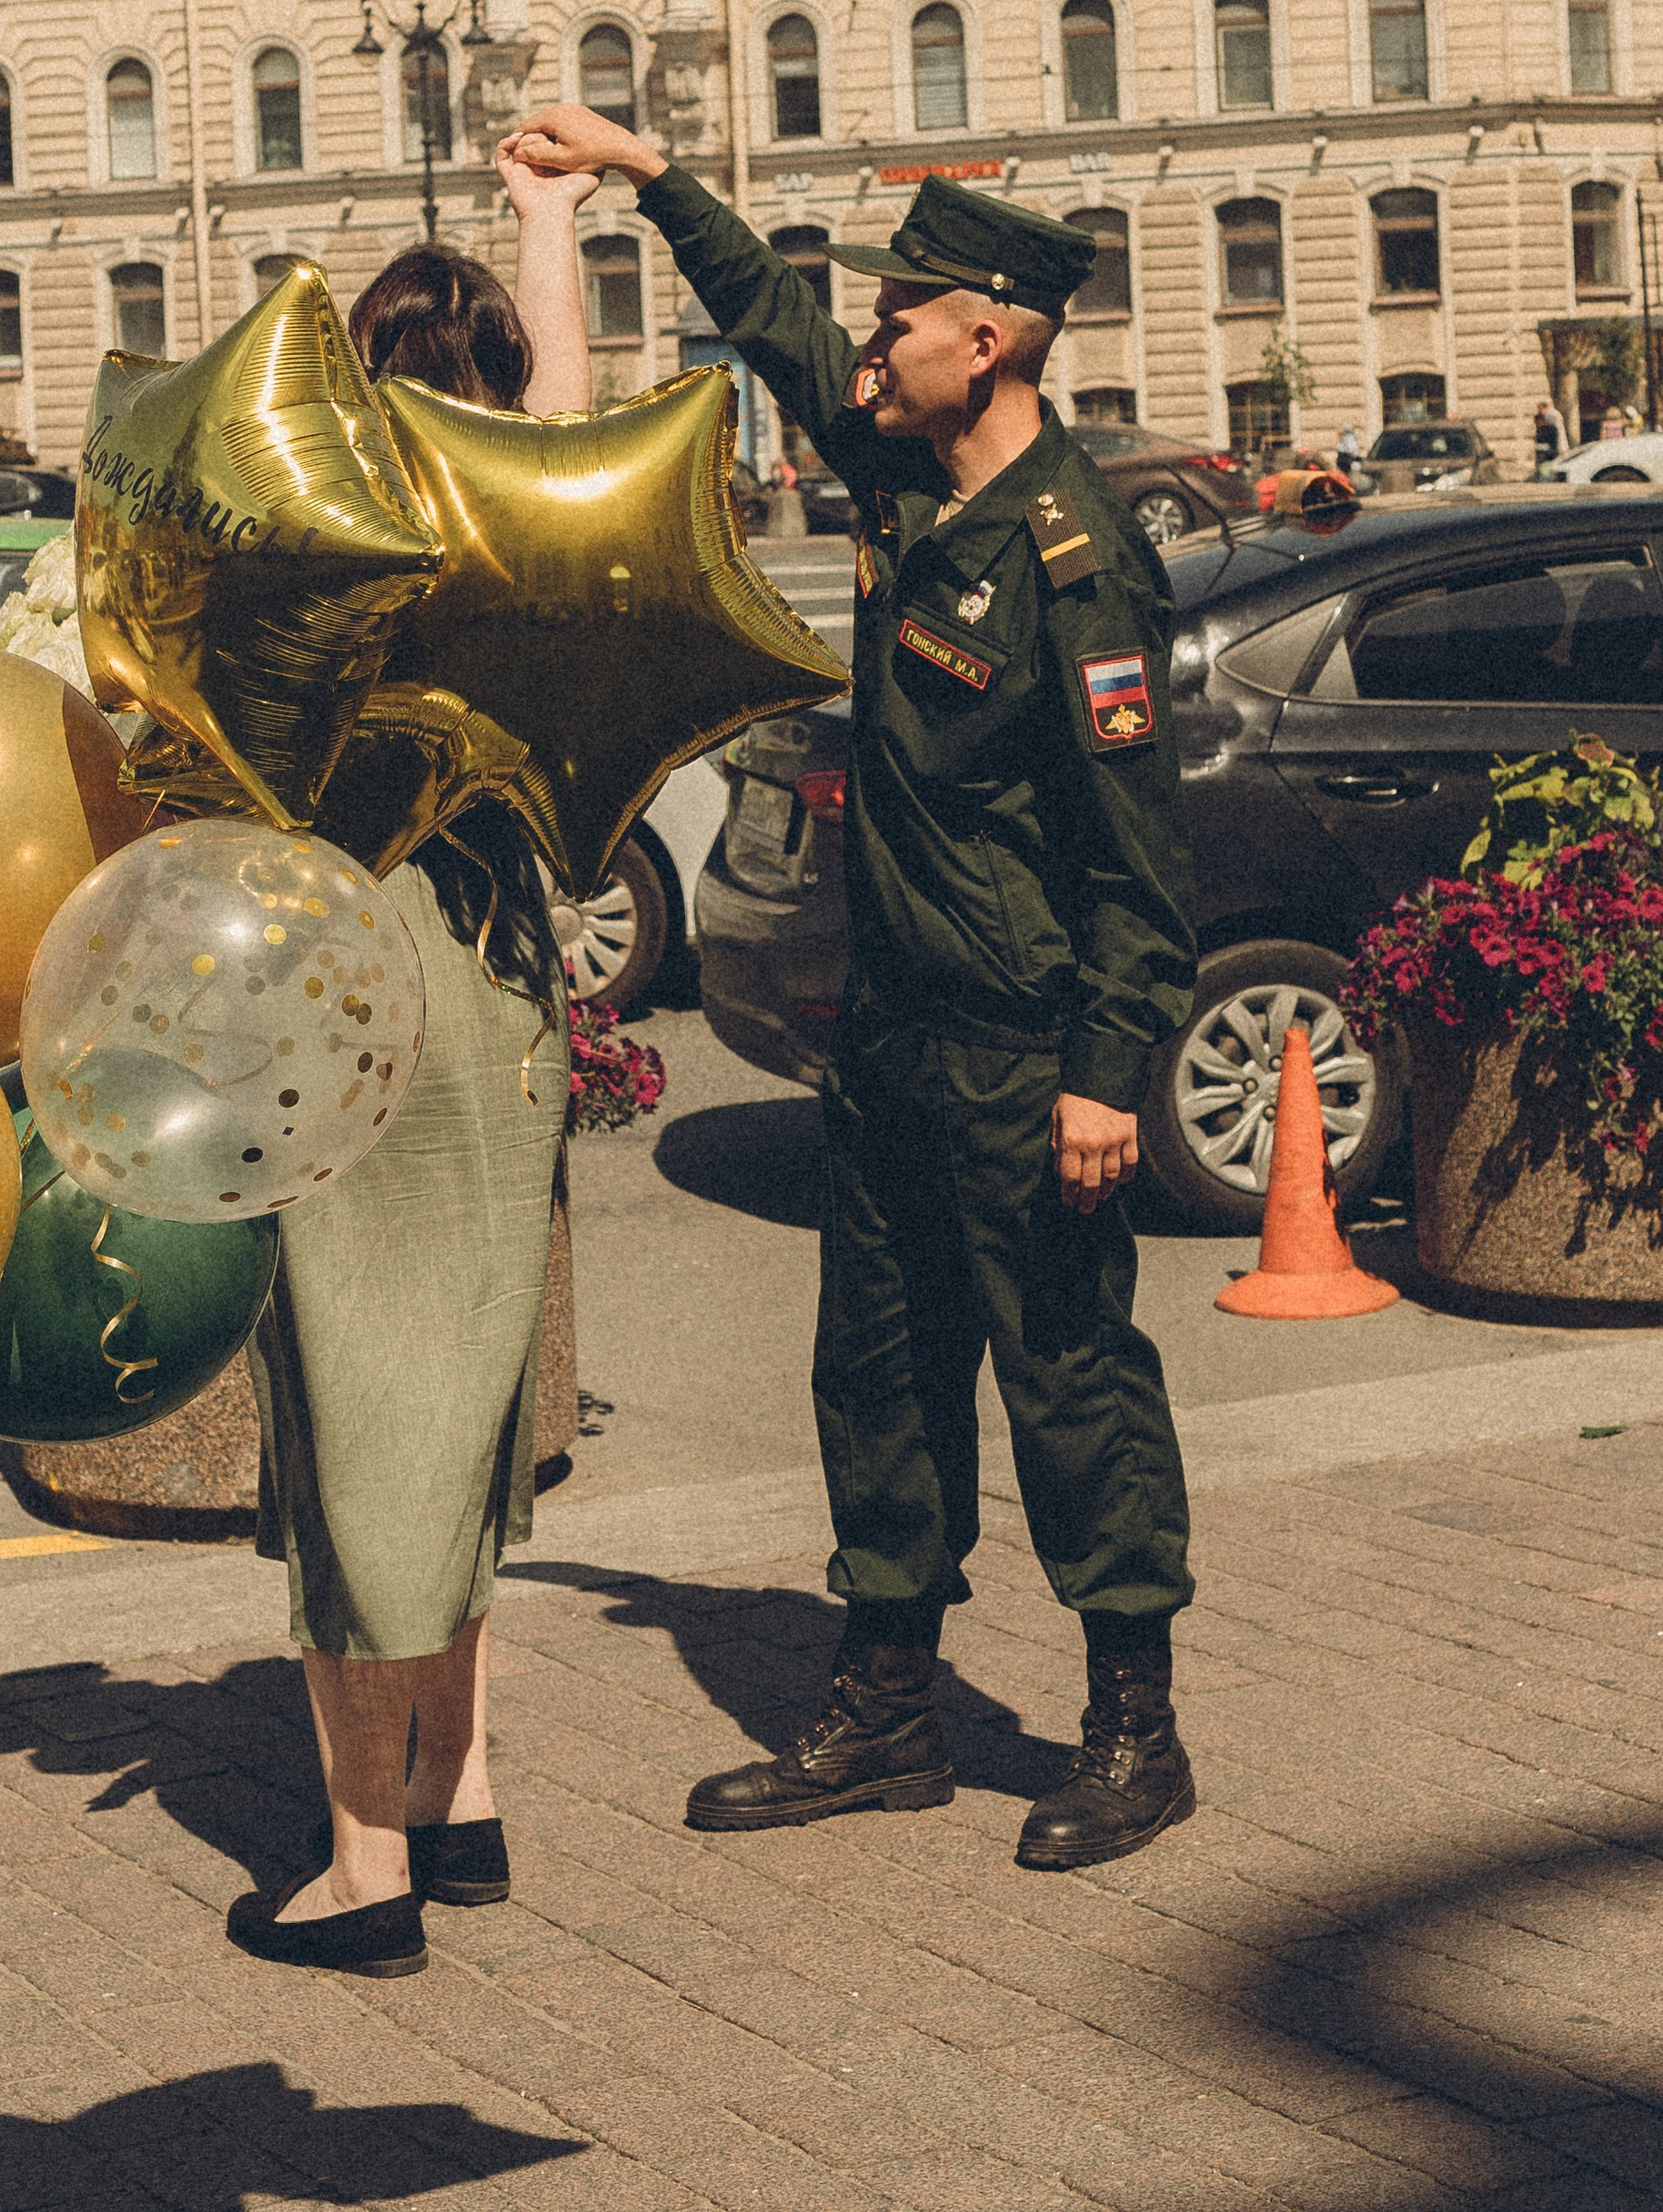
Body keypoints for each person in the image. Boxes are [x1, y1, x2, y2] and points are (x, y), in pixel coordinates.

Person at [514, 106, 1199, 1875]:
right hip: (887, 1040)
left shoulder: (1074, 564)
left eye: (900, 317)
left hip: (1020, 1050)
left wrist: (1105, 1068)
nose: (868, 342)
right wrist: (649, 175)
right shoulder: (913, 487)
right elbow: (777, 329)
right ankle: (885, 1703)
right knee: (875, 1383)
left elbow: (1131, 854)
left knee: (1068, 1384)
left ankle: (1132, 1726)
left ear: (986, 337)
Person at [227, 145, 590, 1981]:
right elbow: (572, 413)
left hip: (352, 989)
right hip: (501, 990)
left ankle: (364, 1867)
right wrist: (547, 230)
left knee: (350, 1424)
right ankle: (464, 1801)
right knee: (455, 1419)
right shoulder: (539, 545)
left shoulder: (328, 560)